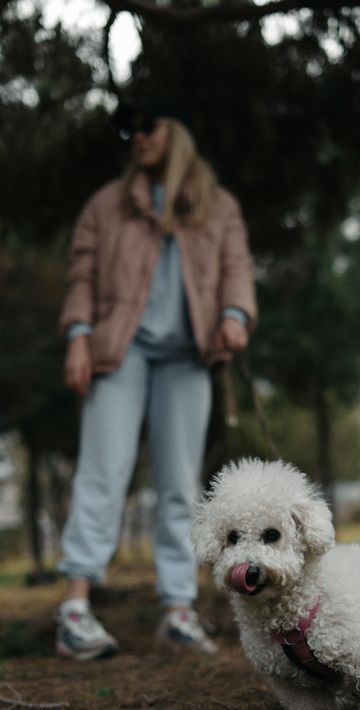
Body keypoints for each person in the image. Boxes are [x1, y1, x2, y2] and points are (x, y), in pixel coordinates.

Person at [56, 97, 257, 660]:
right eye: (129, 129)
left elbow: (237, 269)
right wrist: (77, 335)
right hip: (120, 353)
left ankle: (177, 610)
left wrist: (235, 317)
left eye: (147, 126)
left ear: (178, 132)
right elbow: (81, 274)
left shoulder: (219, 207)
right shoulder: (107, 205)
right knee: (103, 471)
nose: (136, 137)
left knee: (180, 486)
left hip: (188, 355)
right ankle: (75, 608)